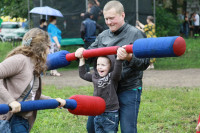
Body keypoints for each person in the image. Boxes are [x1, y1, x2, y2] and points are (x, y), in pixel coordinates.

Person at [75, 1, 150, 133]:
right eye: (106, 19)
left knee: (128, 130)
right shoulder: (103, 35)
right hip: (105, 91)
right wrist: (82, 53)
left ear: (122, 15)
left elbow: (144, 63)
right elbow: (90, 55)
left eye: (112, 18)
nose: (109, 22)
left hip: (128, 88)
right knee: (91, 127)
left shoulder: (136, 34)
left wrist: (129, 57)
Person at [0, 28, 66, 133]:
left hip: (23, 120)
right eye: (49, 46)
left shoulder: (34, 64)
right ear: (44, 48)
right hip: (9, 119)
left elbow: (31, 95)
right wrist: (10, 101)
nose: (50, 51)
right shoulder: (19, 60)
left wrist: (53, 101)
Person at [76, 49, 123, 132]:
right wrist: (82, 59)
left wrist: (119, 59)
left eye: (103, 65)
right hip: (98, 111)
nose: (100, 67)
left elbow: (117, 71)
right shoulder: (95, 76)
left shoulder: (112, 77)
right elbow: (83, 74)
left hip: (110, 113)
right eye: (98, 64)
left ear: (110, 66)